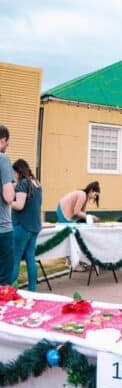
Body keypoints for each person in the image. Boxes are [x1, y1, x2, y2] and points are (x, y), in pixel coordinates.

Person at [10, 159, 42, 291]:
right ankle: (32, 290)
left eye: (14, 173)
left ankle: (10, 290)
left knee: (15, 258)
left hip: (22, 226)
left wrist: (7, 201)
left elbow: (19, 205)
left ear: (19, 171)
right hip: (34, 226)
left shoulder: (23, 183)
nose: (14, 175)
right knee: (30, 258)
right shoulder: (37, 183)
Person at [0, 125, 16, 285]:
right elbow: (8, 197)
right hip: (2, 229)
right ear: (3, 140)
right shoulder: (2, 159)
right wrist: (11, 185)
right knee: (4, 283)